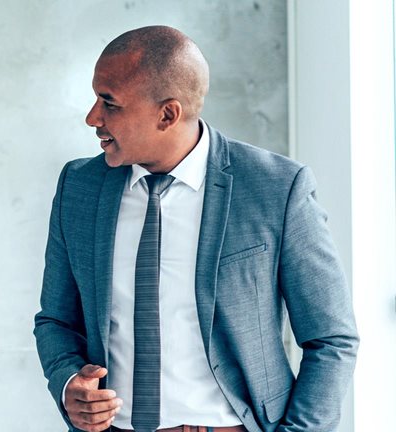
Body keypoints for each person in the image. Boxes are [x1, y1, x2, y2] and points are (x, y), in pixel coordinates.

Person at [33, 26, 358, 432]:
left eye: (109, 103)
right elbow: (56, 321)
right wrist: (68, 385)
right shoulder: (79, 187)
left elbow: (331, 339)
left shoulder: (276, 188)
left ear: (167, 113)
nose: (92, 117)